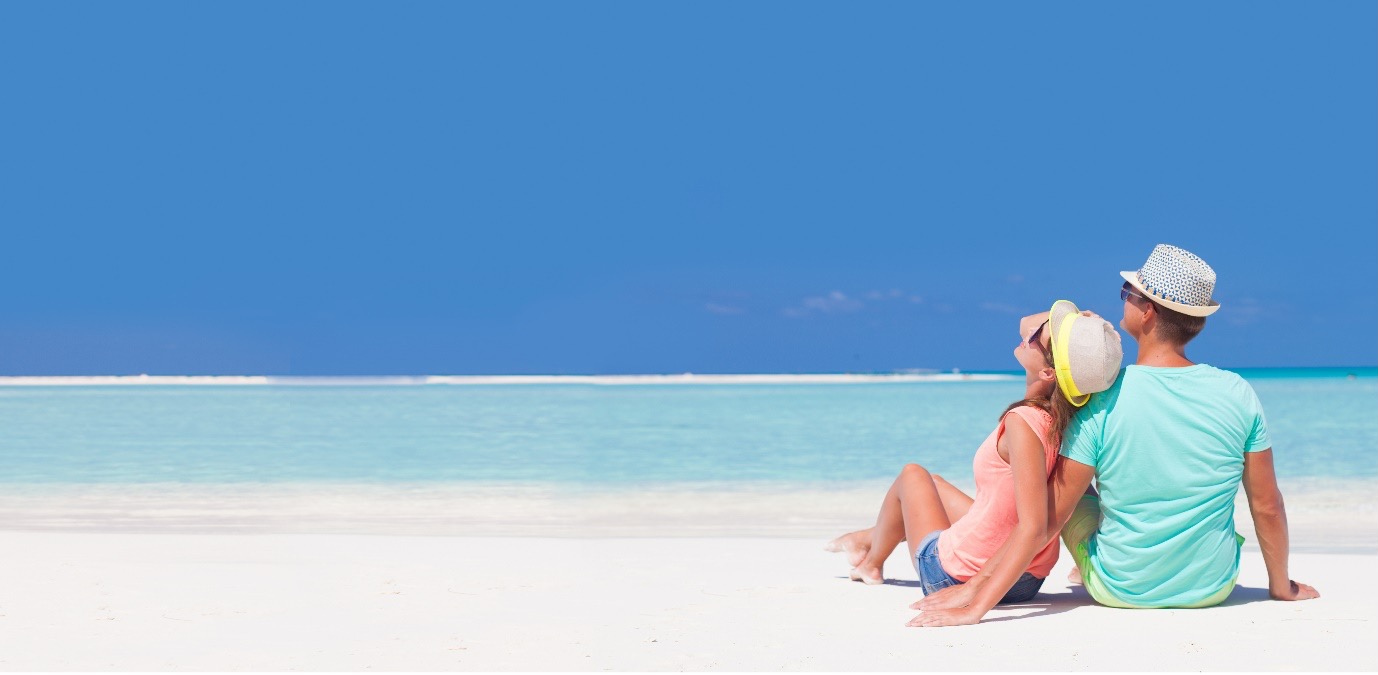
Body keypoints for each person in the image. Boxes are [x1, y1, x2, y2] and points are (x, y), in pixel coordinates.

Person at [915, 244, 1318, 624]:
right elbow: (1266, 505)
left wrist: (975, 597)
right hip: (1211, 587)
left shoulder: (1104, 400)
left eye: (1129, 291)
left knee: (1072, 495)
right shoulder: (1238, 392)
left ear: (1148, 314)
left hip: (1119, 587)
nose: (1121, 297)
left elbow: (1046, 522)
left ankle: (1092, 561)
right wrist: (1280, 586)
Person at [826, 301, 1122, 618]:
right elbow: (1028, 325)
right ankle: (868, 538)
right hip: (1027, 579)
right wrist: (1087, 336)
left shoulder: (1024, 422)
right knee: (935, 484)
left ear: (1048, 372)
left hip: (953, 574)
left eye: (1040, 335)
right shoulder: (1071, 422)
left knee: (912, 476)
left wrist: (974, 604)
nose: (1030, 332)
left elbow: (1033, 527)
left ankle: (871, 562)